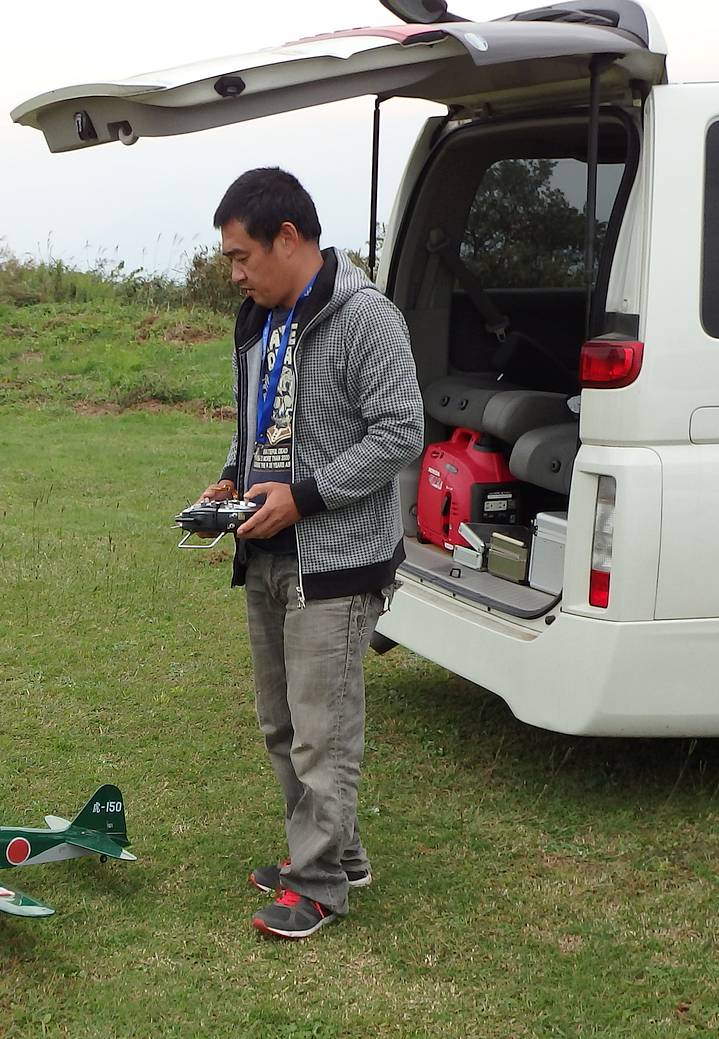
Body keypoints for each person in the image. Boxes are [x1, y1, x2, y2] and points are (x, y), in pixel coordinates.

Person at [198, 167, 424, 940]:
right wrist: (235, 476)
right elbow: (257, 421)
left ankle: (319, 884)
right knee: (280, 722)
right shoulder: (259, 319)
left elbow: (400, 432)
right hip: (265, 547)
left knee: (322, 729)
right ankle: (336, 852)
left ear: (288, 239)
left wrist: (307, 495)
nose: (235, 273)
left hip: (337, 555)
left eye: (241, 256)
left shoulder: (367, 319)